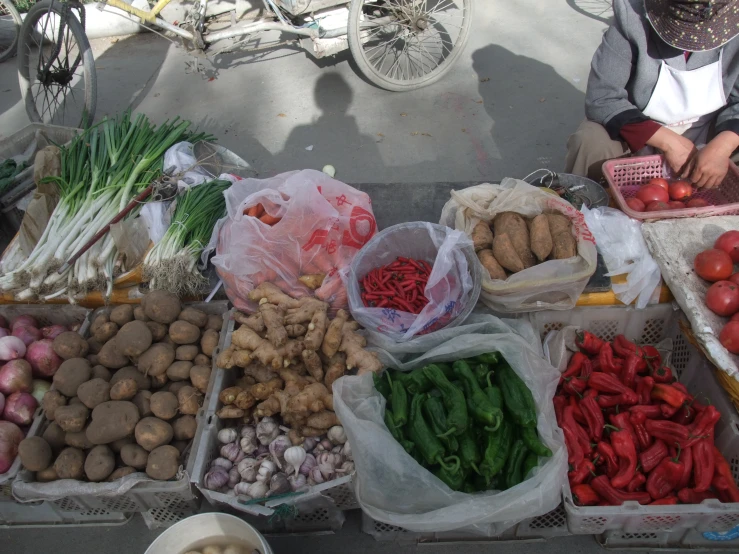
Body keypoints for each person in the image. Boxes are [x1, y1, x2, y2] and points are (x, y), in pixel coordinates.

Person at [565, 0, 739, 188]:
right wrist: (667, 141)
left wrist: (722, 147)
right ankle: (583, 204)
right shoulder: (632, 16)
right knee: (590, 142)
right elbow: (602, 97)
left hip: (711, 130)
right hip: (638, 131)